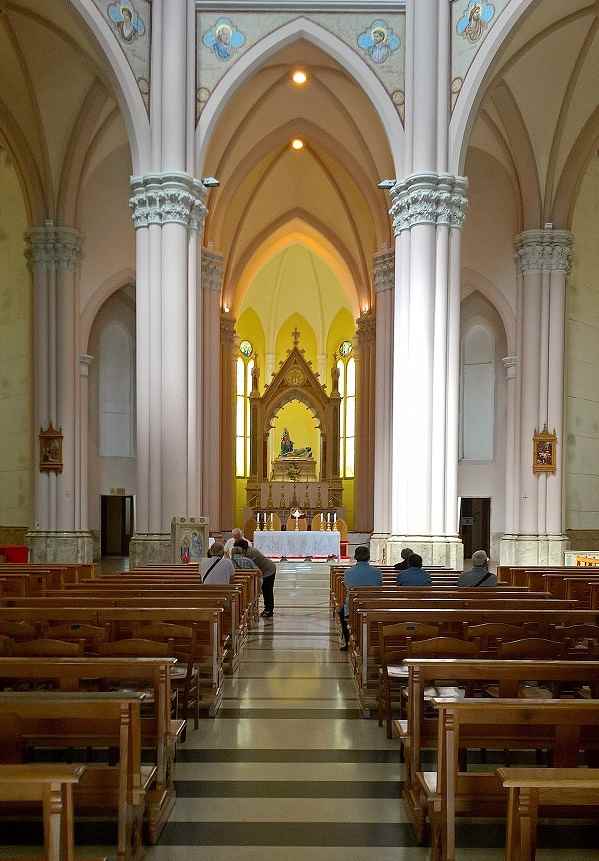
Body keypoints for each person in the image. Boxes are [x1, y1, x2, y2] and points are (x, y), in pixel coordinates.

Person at [339, 546, 382, 650]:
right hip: (372, 607)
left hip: (352, 608)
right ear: (368, 557)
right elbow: (379, 586)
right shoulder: (377, 572)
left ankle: (347, 641)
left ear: (355, 556)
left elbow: (347, 586)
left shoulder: (348, 572)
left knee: (341, 611)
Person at [235, 539, 277, 618]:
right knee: (265, 590)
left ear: (242, 548)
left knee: (267, 590)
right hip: (263, 570)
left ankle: (269, 610)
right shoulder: (245, 552)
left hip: (268, 570)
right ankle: (267, 609)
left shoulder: (251, 553)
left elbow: (251, 567)